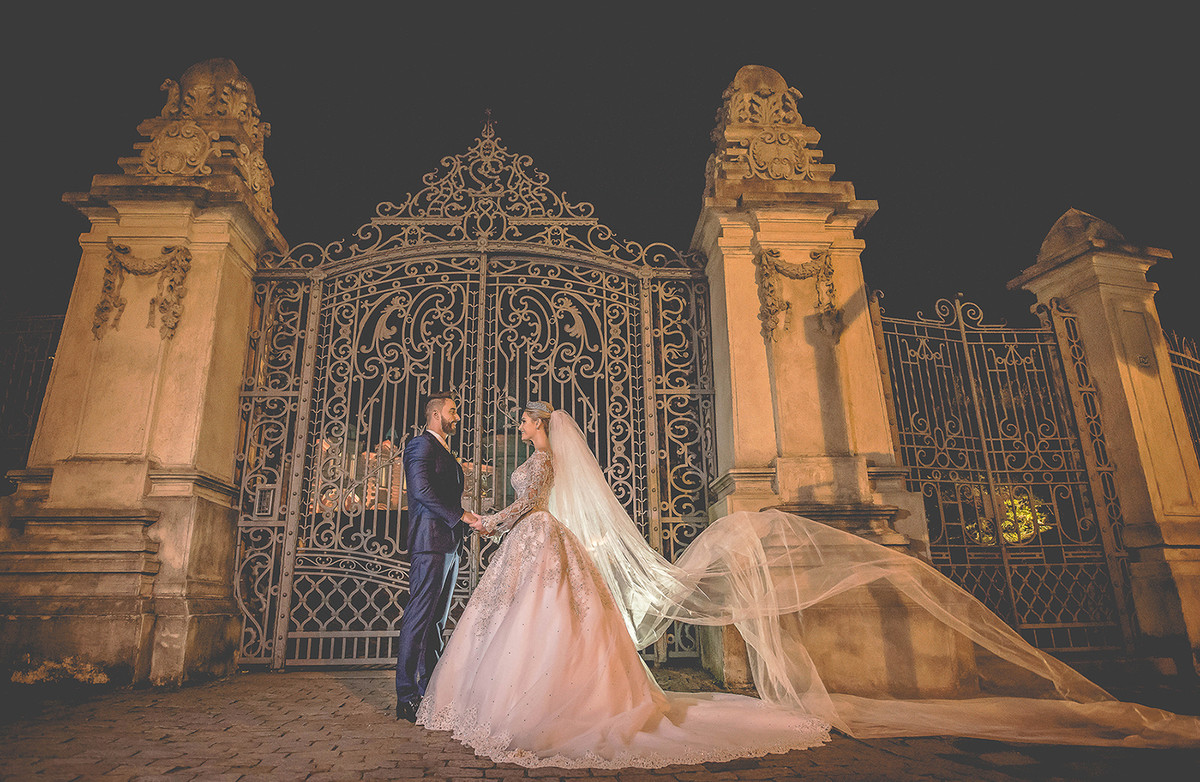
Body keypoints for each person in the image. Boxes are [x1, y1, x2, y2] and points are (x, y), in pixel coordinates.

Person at [415, 403, 1200, 767]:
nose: (520, 426)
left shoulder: (545, 460)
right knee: (544, 626)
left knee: (543, 627)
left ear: (542, 430)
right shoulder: (539, 454)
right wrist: (492, 513)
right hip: (539, 545)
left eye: (525, 421)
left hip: (536, 539)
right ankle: (542, 694)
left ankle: (541, 702)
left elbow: (535, 499)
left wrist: (490, 518)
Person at [395, 392, 483, 722]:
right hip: (430, 542)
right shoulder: (421, 445)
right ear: (435, 415)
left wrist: (466, 521)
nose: (456, 416)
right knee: (418, 618)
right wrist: (462, 516)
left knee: (435, 622)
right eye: (452, 411)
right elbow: (421, 491)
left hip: (449, 545)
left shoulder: (444, 449)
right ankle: (407, 695)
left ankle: (431, 690)